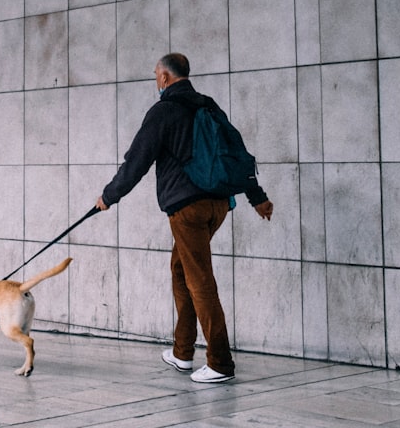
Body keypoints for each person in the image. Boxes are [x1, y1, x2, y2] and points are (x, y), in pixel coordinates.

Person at [95, 53, 273, 383]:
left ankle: (220, 363)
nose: (155, 80)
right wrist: (257, 198)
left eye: (155, 75)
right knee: (181, 269)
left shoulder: (164, 111)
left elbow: (137, 161)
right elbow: (237, 153)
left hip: (187, 208)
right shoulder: (208, 105)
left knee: (199, 280)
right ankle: (182, 352)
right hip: (218, 204)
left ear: (164, 77)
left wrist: (108, 196)